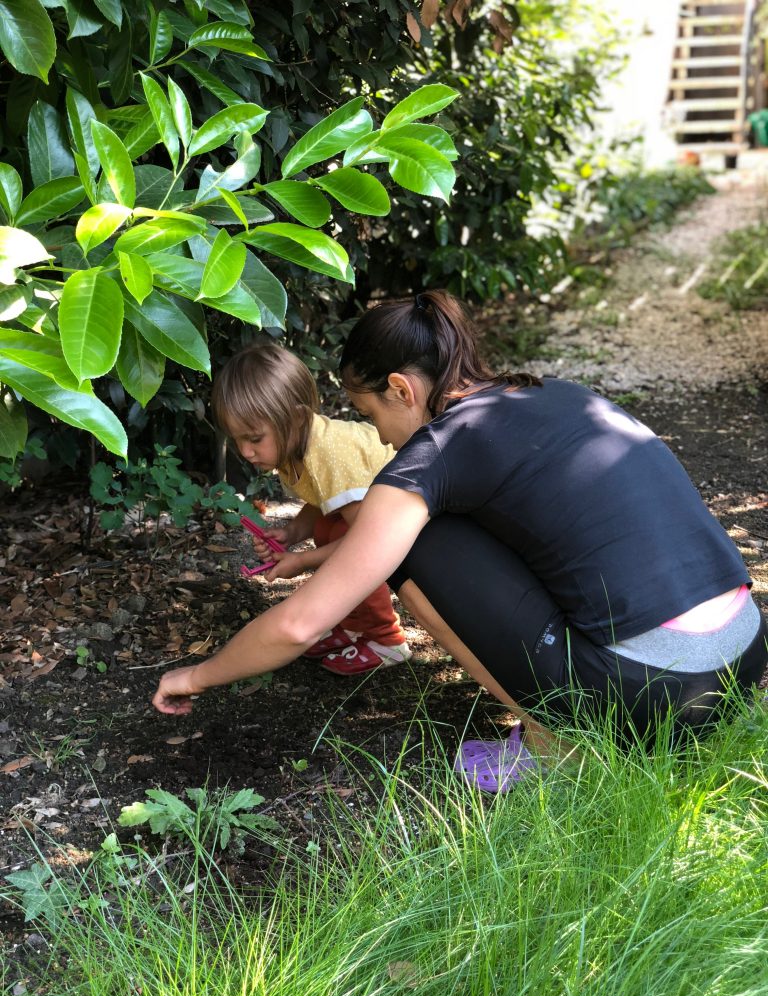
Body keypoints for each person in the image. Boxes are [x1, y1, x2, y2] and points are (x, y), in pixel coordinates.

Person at [153, 291, 767, 785]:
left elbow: (298, 625)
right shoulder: (552, 393)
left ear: (403, 389)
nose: (384, 441)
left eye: (371, 416)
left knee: (407, 540)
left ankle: (560, 747)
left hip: (653, 693)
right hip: (740, 662)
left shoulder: (432, 453)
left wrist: (196, 676)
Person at [210, 343, 411, 676]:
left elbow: (365, 543)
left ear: (297, 417)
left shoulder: (326, 454)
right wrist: (292, 533)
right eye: (237, 440)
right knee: (325, 529)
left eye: (255, 438)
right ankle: (353, 624)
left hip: (404, 511)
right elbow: (323, 501)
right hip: (374, 511)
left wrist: (300, 561)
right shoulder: (296, 450)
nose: (245, 451)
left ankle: (386, 638)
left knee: (344, 539)